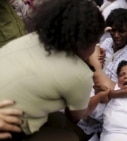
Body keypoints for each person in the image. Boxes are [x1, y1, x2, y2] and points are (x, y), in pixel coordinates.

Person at [0, 0, 105, 140]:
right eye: (96, 41)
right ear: (86, 42)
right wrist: (99, 95)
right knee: (70, 138)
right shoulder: (79, 75)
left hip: (8, 111)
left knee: (59, 120)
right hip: (7, 129)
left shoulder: (35, 37)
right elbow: (75, 116)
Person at [83, 60, 127, 141]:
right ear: (117, 80)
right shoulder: (108, 95)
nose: (126, 76)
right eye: (122, 75)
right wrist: (99, 97)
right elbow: (84, 111)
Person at [91, 8, 127, 99]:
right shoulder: (107, 42)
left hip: (117, 96)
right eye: (113, 30)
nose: (116, 35)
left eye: (122, 31)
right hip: (97, 87)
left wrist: (112, 94)